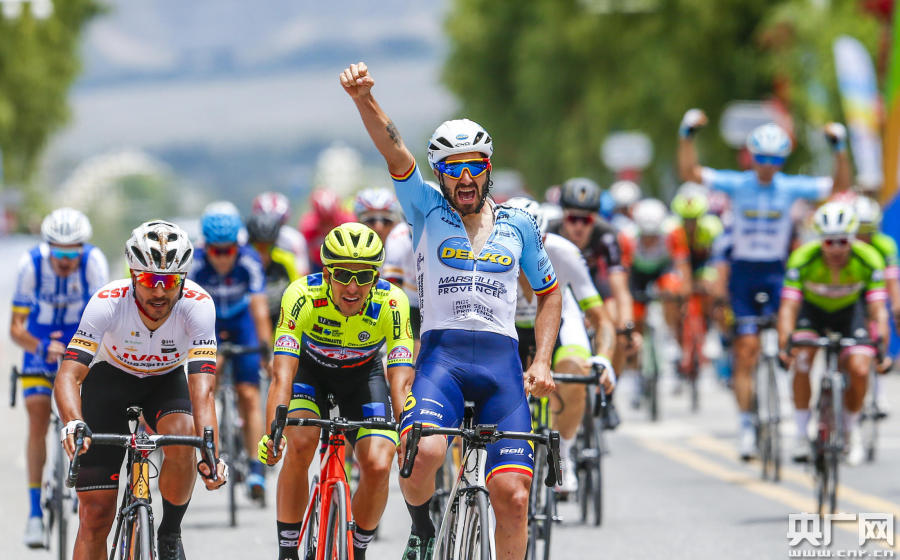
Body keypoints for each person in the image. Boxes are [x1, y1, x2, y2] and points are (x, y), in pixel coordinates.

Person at [340, 61, 561, 559]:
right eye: (452, 168)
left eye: (474, 165)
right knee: (424, 455)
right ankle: (423, 528)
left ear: (488, 168)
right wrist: (364, 98)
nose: (465, 177)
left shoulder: (519, 225)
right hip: (443, 360)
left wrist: (544, 360)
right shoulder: (425, 208)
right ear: (438, 174)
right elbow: (394, 149)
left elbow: (550, 293)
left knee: (515, 498)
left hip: (502, 368)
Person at [678, 110, 851, 458]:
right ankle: (746, 424)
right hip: (743, 272)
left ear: (782, 160)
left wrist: (839, 149)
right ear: (751, 157)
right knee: (746, 350)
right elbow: (691, 173)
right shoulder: (737, 184)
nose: (768, 166)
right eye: (762, 158)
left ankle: (785, 402)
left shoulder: (790, 187)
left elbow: (839, 186)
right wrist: (687, 136)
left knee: (790, 343)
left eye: (775, 159)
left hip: (776, 271)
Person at [55, 220, 227, 560]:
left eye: (170, 282)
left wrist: (211, 453)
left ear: (183, 280)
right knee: (95, 517)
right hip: (109, 382)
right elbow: (69, 375)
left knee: (184, 436)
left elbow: (203, 391)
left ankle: (170, 533)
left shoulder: (198, 305)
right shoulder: (107, 301)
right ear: (133, 276)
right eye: (150, 280)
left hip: (165, 381)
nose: (159, 293)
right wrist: (73, 422)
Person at [258, 223, 414, 560]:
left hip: (363, 377)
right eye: (343, 274)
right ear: (327, 273)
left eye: (364, 276)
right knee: (300, 443)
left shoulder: (393, 301)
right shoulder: (301, 295)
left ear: (377, 276)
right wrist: (273, 432)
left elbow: (400, 379)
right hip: (310, 373)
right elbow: (282, 374)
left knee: (378, 463)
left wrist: (407, 428)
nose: (353, 287)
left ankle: (357, 549)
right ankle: (288, 550)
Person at [11, 208, 108, 547]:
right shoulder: (30, 265)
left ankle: (85, 491)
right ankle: (35, 514)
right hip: (39, 340)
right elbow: (16, 328)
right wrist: (40, 347)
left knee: (84, 414)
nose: (66, 261)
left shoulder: (93, 262)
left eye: (72, 253)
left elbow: (104, 320)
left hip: (79, 337)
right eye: (59, 253)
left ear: (83, 248)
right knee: (38, 415)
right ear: (47, 247)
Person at [507, 197, 616, 495]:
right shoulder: (490, 254)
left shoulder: (564, 253)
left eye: (534, 243)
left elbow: (600, 318)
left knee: (576, 371)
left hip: (560, 325)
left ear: (544, 238)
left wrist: (604, 359)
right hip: (511, 330)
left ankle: (563, 454)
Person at [777, 202, 892, 466]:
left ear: (852, 239)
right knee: (802, 357)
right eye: (830, 242)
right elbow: (788, 308)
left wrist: (881, 348)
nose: (837, 249)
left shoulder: (869, 258)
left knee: (860, 369)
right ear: (820, 241)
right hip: (812, 312)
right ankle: (801, 433)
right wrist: (786, 345)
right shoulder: (803, 258)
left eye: (843, 241)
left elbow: (878, 310)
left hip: (849, 313)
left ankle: (850, 430)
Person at [189, 210, 272, 501]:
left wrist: (266, 351)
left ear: (238, 246)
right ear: (205, 247)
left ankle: (256, 467)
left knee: (249, 394)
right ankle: (214, 455)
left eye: (229, 250)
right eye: (216, 251)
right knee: (206, 385)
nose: (223, 258)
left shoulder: (249, 259)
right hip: (208, 322)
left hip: (241, 323)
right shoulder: (195, 263)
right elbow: (185, 310)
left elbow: (259, 309)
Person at [549, 177, 639, 383]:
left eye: (587, 220)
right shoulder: (549, 231)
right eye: (573, 219)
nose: (579, 226)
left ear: (595, 219)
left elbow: (620, 289)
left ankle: (608, 387)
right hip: (561, 287)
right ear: (563, 216)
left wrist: (627, 327)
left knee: (615, 320)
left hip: (593, 284)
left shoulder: (607, 235)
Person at [246, 212, 302, 328]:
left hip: (279, 320)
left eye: (268, 246)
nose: (262, 253)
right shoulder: (241, 260)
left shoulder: (285, 259)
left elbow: (299, 291)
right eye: (258, 247)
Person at [252, 192, 310, 276]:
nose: (270, 232)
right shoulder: (244, 238)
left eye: (278, 224)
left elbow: (302, 274)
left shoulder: (295, 239)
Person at [298, 189, 355, 273]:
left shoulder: (348, 223)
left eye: (330, 219)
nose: (327, 225)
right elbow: (305, 252)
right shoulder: (308, 226)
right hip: (317, 265)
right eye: (323, 220)